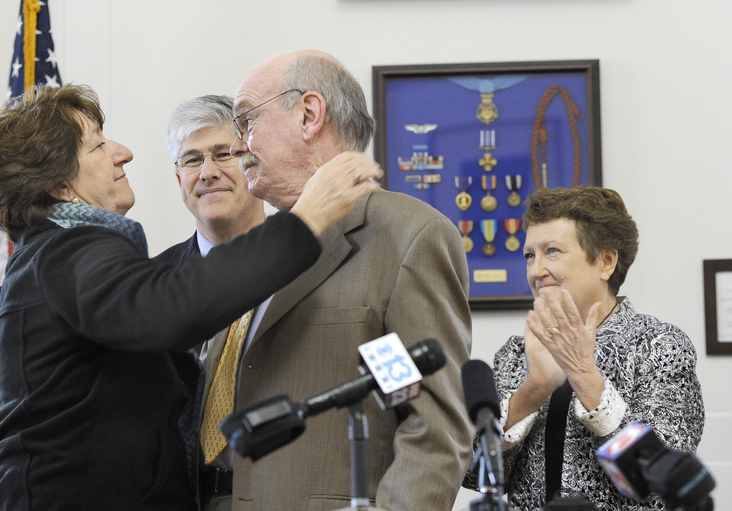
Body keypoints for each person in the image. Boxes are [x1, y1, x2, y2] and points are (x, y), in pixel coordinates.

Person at [0, 83, 381, 511]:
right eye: (98, 146)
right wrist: (306, 219)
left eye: (224, 154)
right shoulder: (69, 252)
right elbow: (175, 309)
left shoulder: (46, 257)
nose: (123, 152)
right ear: (60, 186)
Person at [204, 49, 473, 511]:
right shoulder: (258, 247)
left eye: (247, 121)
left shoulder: (406, 237)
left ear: (309, 115)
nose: (236, 146)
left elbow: (434, 424)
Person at [464, 186, 704, 509]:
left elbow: (663, 481)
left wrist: (582, 373)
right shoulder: (515, 353)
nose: (536, 271)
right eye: (529, 255)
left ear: (606, 262)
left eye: (552, 251)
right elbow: (476, 475)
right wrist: (532, 391)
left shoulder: (660, 347)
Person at [154, 94, 266, 499]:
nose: (207, 172)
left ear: (254, 162)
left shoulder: (313, 266)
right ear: (179, 179)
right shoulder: (150, 284)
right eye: (191, 159)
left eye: (224, 154)